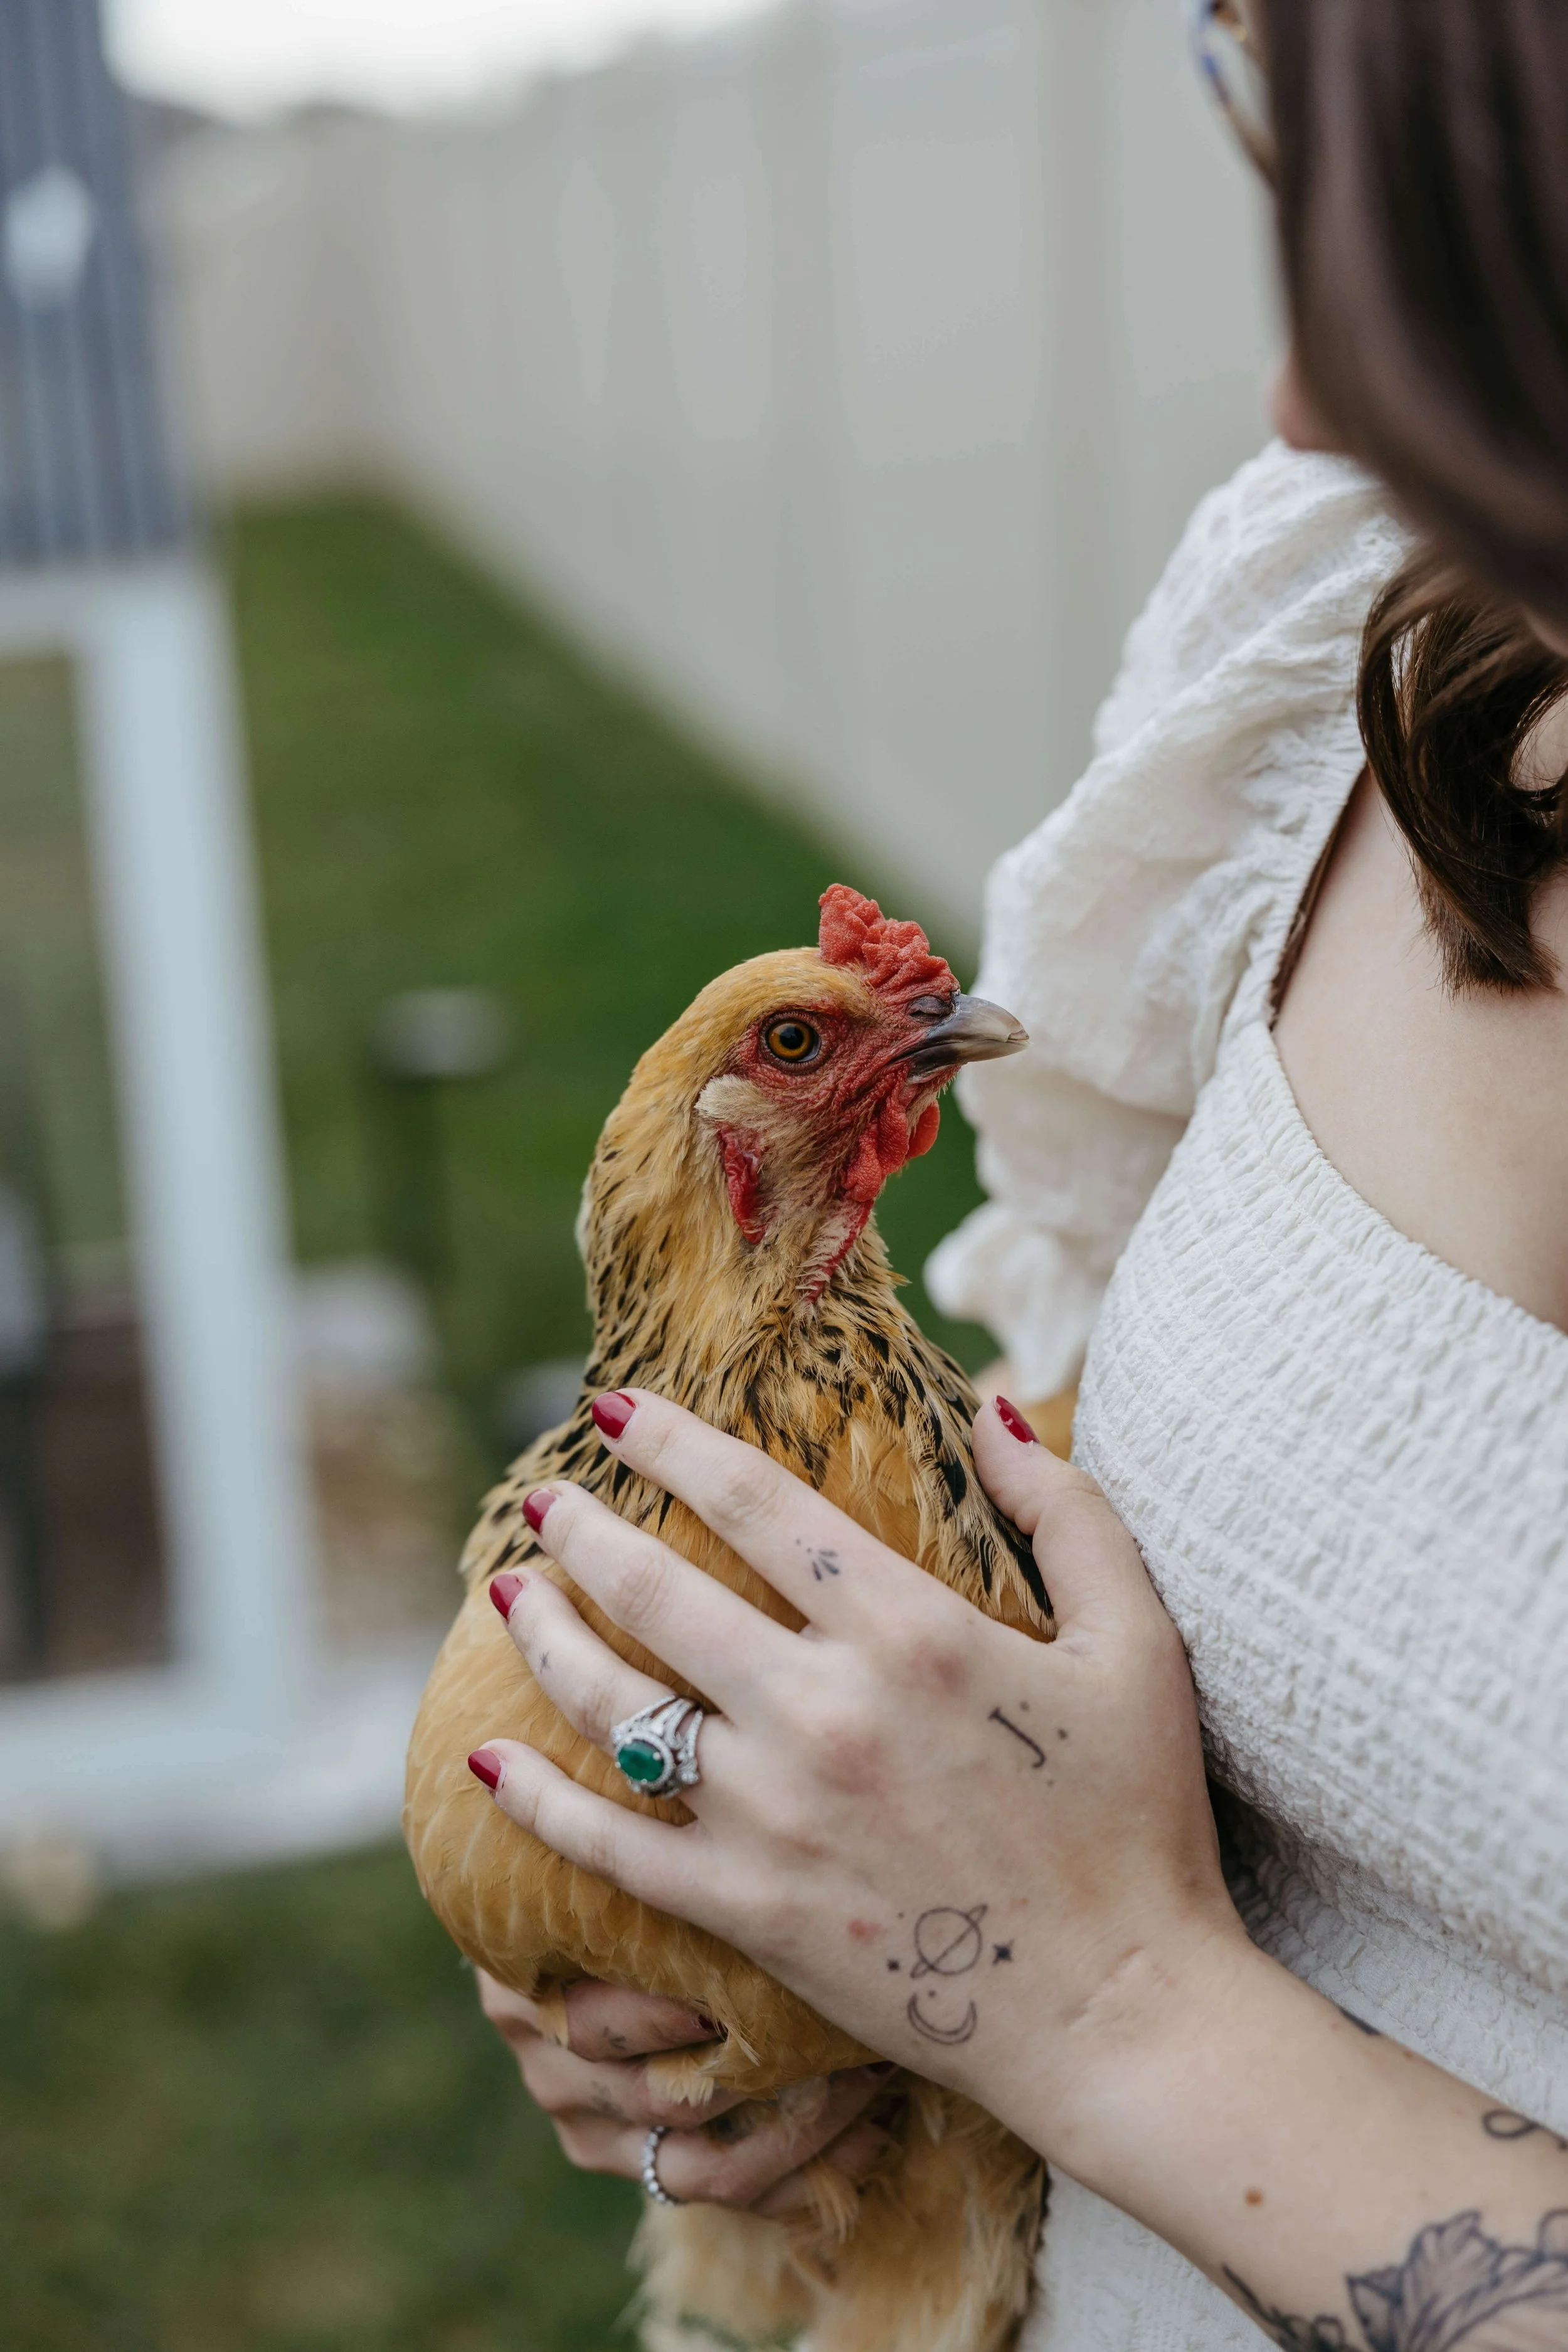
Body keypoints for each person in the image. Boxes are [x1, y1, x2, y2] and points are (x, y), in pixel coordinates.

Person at [469, 3, 1568, 2343]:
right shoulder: (1356, 630)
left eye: (1457, 240)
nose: (1304, 395)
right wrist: (684, 1930)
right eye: (1254, 119)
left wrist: (1091, 1995)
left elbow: (1074, 1933)